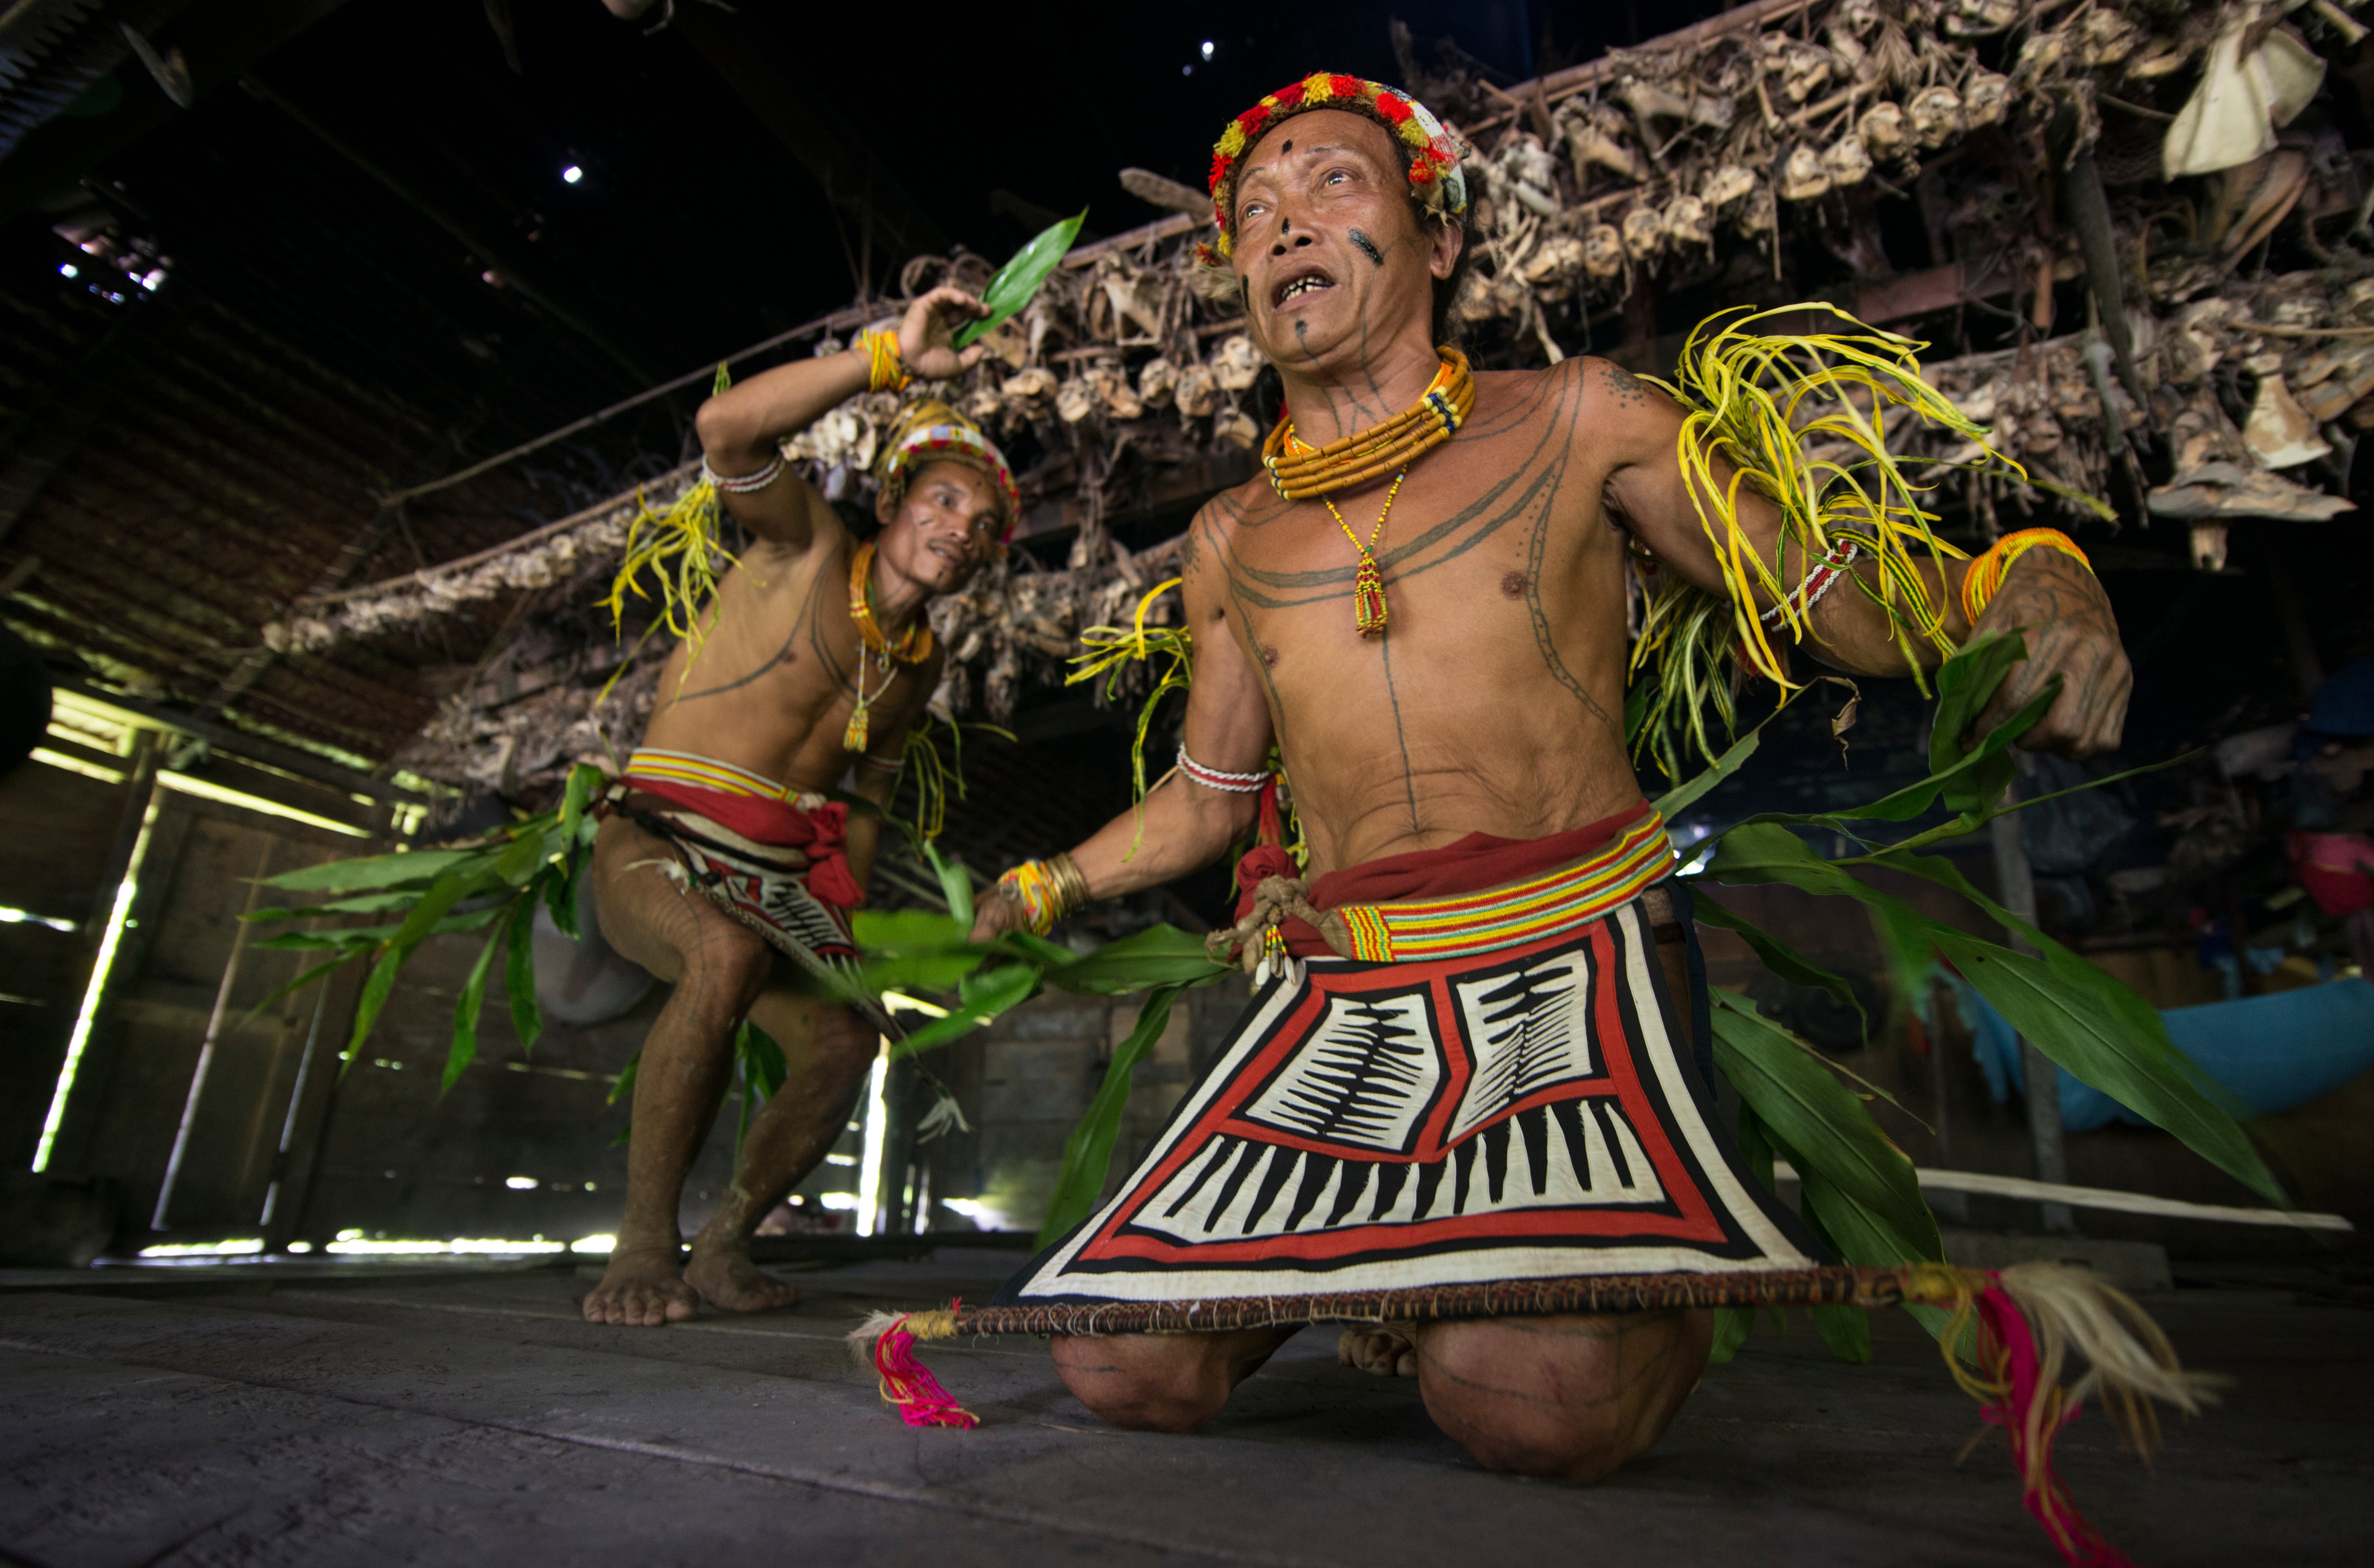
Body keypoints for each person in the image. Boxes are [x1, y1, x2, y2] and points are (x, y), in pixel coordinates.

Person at [969, 73, 2131, 1480]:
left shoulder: (1586, 421)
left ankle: (1615, 1285)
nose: (1283, 231)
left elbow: (1843, 605)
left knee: (1527, 1406)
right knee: (1116, 1362)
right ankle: (1420, 1266)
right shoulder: (1231, 539)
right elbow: (1211, 795)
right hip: (1347, 994)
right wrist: (1045, 883)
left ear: (1437, 236)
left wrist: (2039, 580)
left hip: (1569, 967)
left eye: (1331, 185)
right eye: (1256, 215)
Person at [582, 288, 1015, 1326]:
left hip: (780, 888)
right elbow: (725, 429)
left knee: (845, 1042)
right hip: (663, 845)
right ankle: (641, 1248)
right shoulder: (803, 547)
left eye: (985, 526)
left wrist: (841, 914)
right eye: (946, 502)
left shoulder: (920, 665)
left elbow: (870, 787)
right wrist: (888, 359)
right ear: (897, 502)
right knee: (722, 958)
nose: (961, 530)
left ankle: (722, 1247)